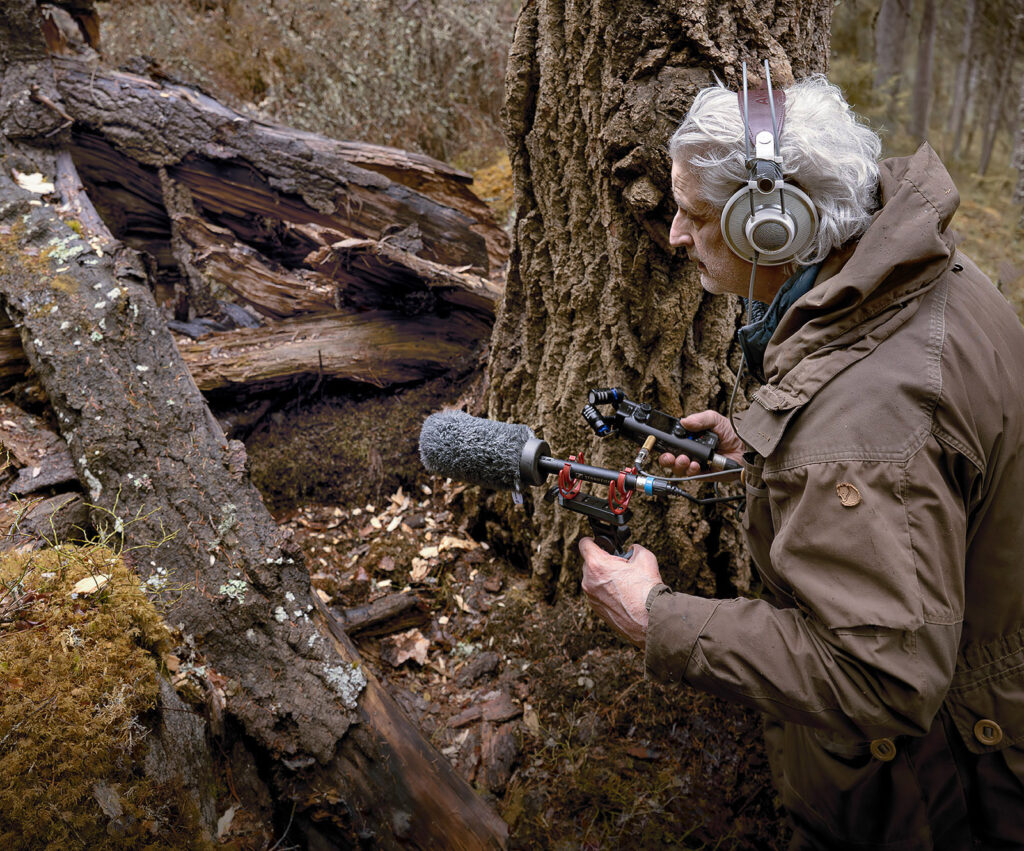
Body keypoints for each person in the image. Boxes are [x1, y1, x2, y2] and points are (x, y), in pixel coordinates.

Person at [579, 74, 1024, 850]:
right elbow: (923, 482)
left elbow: (879, 679)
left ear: (772, 229)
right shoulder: (920, 270)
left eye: (695, 216)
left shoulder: (859, 429)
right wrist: (770, 450)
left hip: (947, 795)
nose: (676, 238)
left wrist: (659, 616)